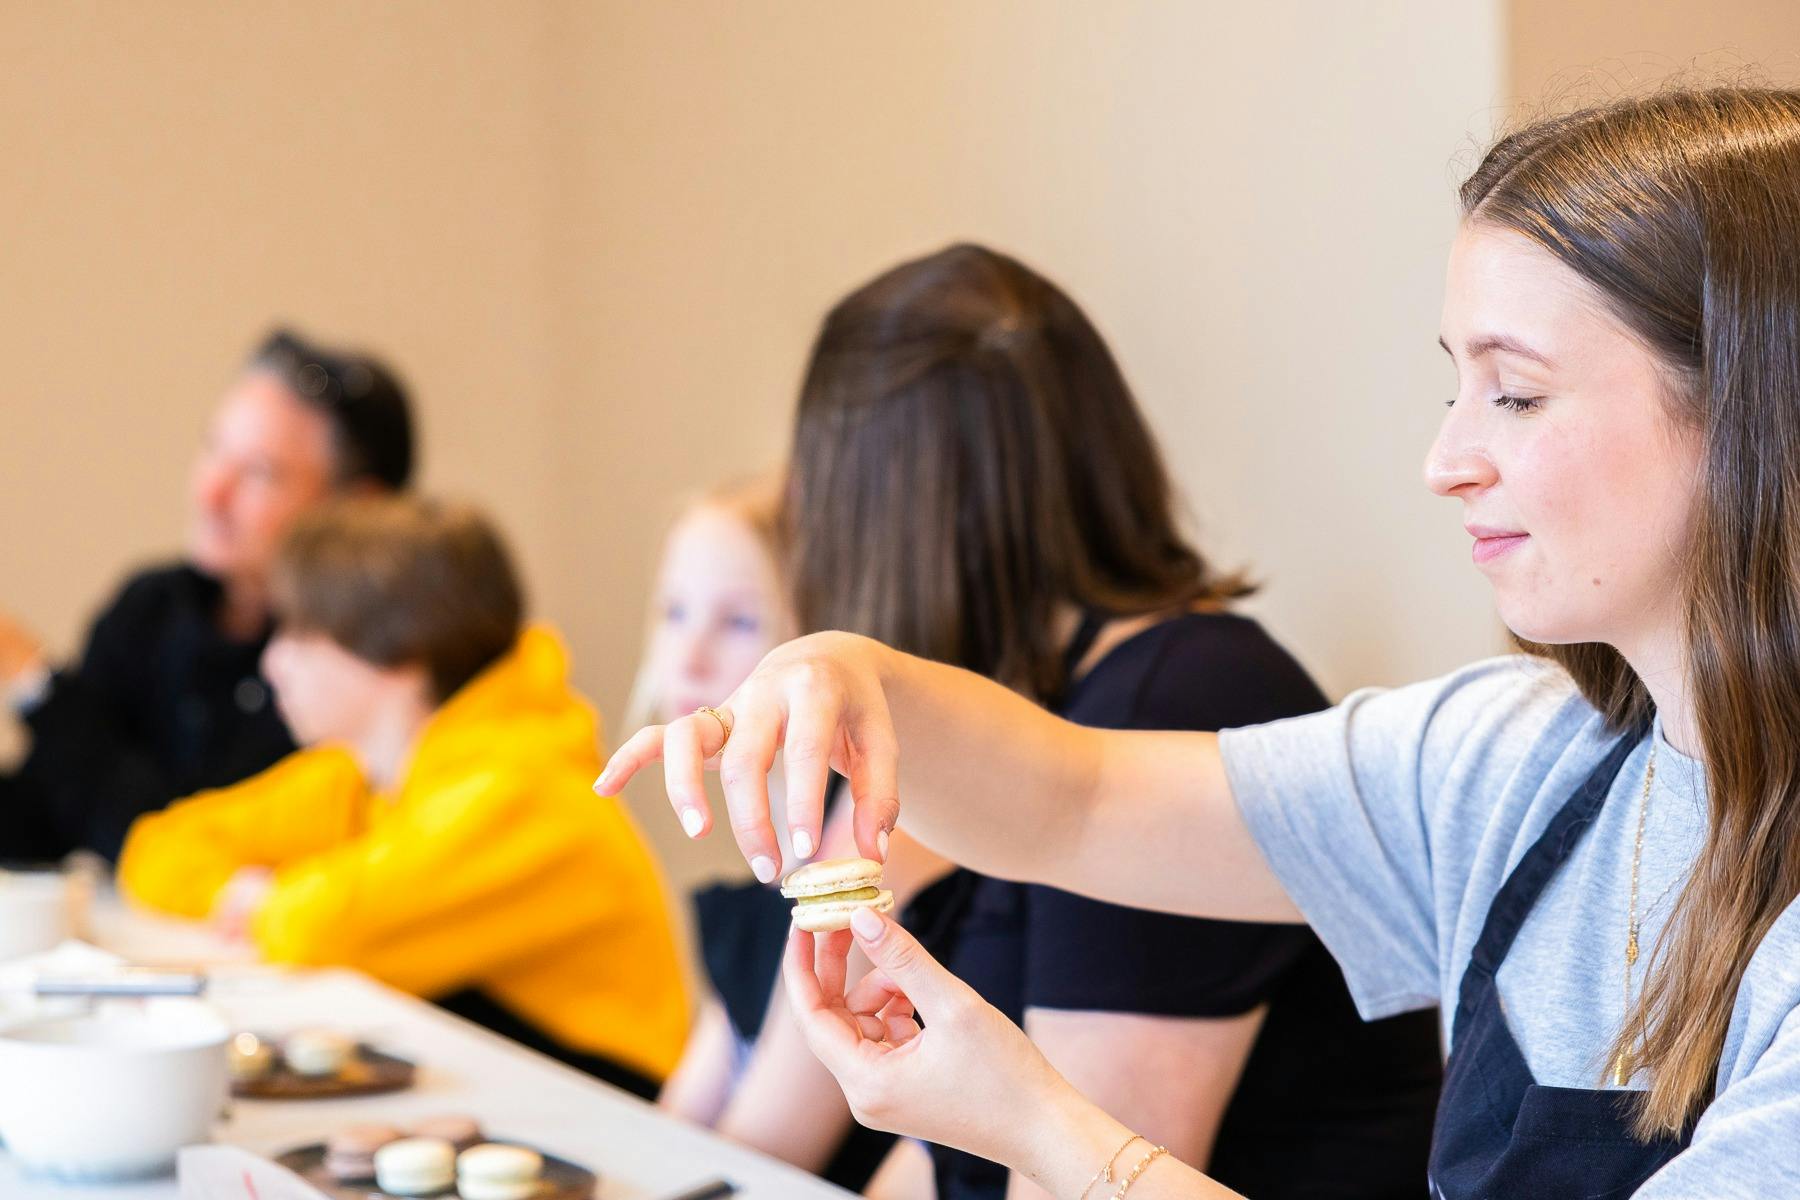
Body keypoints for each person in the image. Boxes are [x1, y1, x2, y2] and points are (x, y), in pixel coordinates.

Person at [603, 88, 1800, 1197]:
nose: (1446, 463)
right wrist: (850, 676)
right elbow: (1073, 798)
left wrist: (1043, 1128)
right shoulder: (1516, 761)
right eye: (1457, 389)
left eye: (1518, 395)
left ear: (1754, 406)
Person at [630, 244, 1443, 1199]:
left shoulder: (1175, 700)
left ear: (870, 509)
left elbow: (1078, 1176)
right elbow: (944, 1164)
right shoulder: (1048, 707)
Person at [120, 495, 688, 1098]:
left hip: (610, 1103)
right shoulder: (360, 771)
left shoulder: (525, 789)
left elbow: (318, 928)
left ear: (397, 651)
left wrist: (268, 900)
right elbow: (156, 846)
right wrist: (240, 893)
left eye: (302, 634)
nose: (274, 662)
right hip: (504, 1087)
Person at [0, 328, 414, 864]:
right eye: (213, 446)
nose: (211, 490)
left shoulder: (361, 663)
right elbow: (50, 810)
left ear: (357, 507)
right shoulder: (152, 610)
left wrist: (35, 683)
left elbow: (185, 844)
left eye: (259, 474)